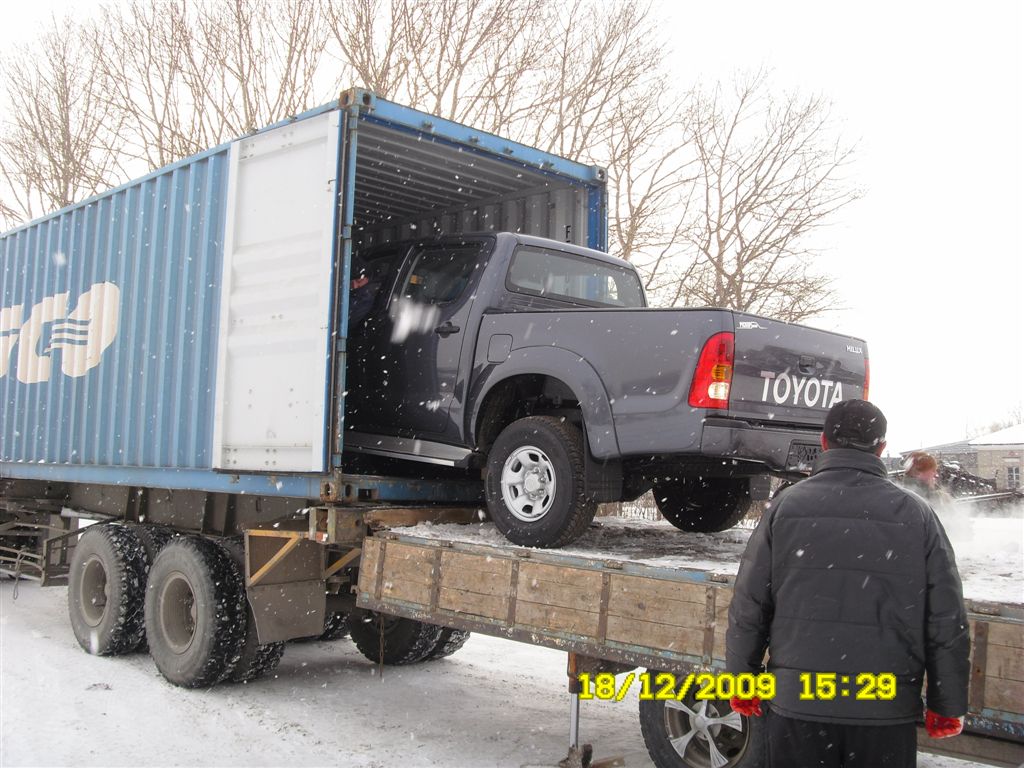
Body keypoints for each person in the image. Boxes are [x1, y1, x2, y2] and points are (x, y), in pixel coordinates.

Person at [726, 399, 970, 768]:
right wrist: (947, 704)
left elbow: (749, 606)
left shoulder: (786, 508)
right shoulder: (917, 515)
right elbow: (947, 617)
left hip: (798, 704)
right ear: (882, 448)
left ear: (824, 443)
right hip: (884, 707)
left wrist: (742, 683)